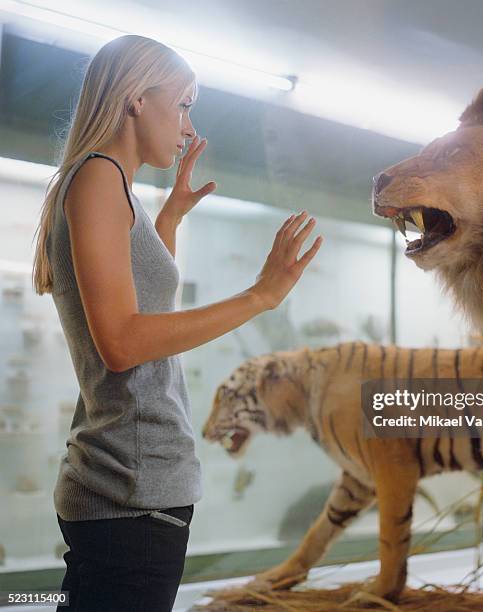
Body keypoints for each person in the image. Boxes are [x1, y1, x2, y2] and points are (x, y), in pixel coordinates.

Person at [31, 34, 322, 612]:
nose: (190, 125)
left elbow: (139, 308)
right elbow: (121, 343)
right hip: (129, 493)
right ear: (138, 97)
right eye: (184, 103)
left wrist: (166, 221)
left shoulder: (112, 187)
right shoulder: (97, 178)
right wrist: (260, 296)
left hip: (130, 490)